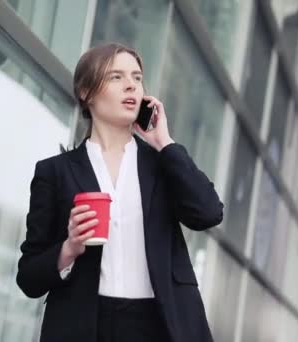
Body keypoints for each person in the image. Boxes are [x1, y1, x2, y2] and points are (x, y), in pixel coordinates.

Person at [16, 42, 224, 342]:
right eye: (116, 77)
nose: (131, 85)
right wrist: (69, 248)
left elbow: (209, 213)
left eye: (137, 78)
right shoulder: (55, 173)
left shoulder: (163, 164)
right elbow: (29, 277)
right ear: (86, 92)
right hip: (84, 325)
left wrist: (164, 142)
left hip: (160, 325)